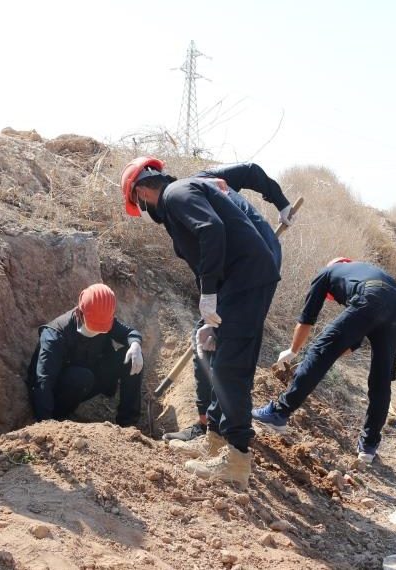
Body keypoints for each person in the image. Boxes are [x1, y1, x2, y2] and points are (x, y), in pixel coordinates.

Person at [120, 157, 280, 489]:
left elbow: (211, 230)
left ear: (141, 192)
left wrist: (208, 293)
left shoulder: (175, 194)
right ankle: (215, 439)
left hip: (246, 280)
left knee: (230, 367)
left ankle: (236, 459)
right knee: (220, 360)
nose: (144, 211)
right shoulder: (182, 193)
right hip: (239, 282)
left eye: (137, 203)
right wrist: (212, 313)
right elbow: (212, 247)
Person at [162, 163, 292, 443]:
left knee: (220, 347)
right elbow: (251, 172)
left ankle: (214, 429)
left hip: (244, 267)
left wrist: (280, 201)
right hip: (252, 263)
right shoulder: (200, 187)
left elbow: (248, 172)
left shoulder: (192, 186)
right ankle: (215, 428)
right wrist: (281, 202)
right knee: (217, 341)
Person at [252, 258, 396, 467]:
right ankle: (369, 446)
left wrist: (294, 351)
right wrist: (320, 360)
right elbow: (350, 344)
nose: (332, 299)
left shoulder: (326, 273)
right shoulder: (362, 274)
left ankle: (279, 412)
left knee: (319, 349)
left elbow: (307, 319)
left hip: (371, 297)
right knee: (381, 379)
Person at [26, 284, 144, 426]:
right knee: (81, 377)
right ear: (79, 313)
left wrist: (135, 344)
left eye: (101, 329)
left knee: (132, 357)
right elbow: (43, 382)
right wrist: (46, 423)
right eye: (93, 327)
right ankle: (59, 417)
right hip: (59, 392)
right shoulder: (55, 335)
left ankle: (128, 424)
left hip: (88, 379)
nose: (96, 332)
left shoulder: (104, 319)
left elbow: (130, 333)